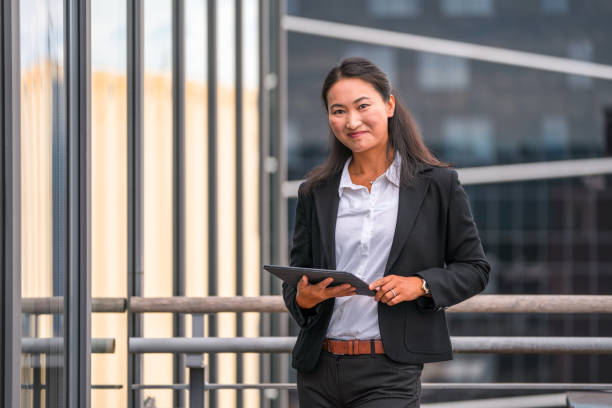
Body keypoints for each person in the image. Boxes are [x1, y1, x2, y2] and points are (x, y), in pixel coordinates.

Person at [282, 57, 491, 408]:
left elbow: (475, 269)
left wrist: (419, 285)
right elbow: (296, 281)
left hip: (389, 371)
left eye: (363, 106)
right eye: (338, 111)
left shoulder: (437, 185)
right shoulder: (315, 191)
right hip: (317, 368)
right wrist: (305, 298)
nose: (352, 121)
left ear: (389, 104)